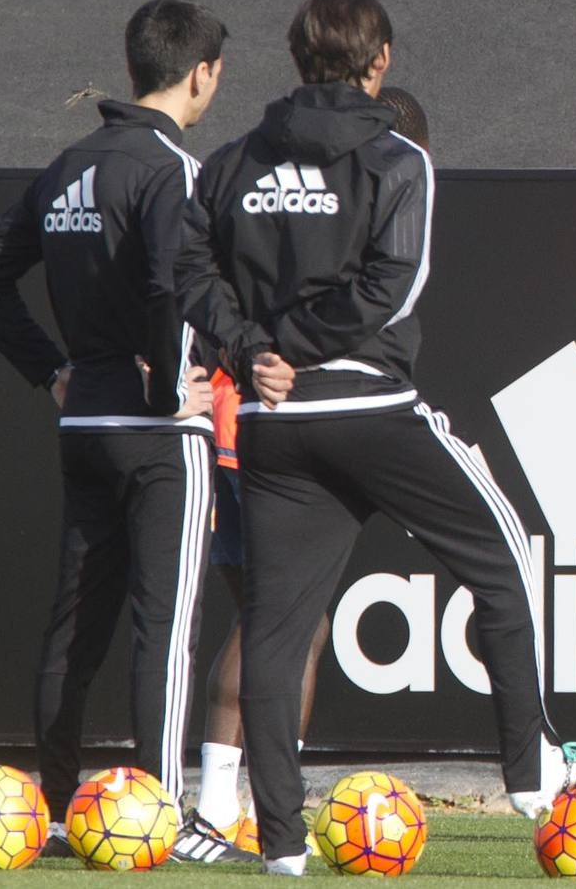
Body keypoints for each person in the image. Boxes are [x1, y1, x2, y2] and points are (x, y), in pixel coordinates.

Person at [174, 0, 576, 875]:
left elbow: (186, 270)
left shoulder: (227, 163)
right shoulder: (399, 157)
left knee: (272, 631)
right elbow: (393, 288)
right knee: (504, 559)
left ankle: (279, 848)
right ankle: (533, 782)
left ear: (301, 58)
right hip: (368, 407)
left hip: (274, 423)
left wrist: (253, 348)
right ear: (377, 61)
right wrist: (287, 346)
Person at [0, 0, 241, 861]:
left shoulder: (72, 163)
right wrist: (165, 395)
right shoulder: (171, 168)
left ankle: (45, 809)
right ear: (202, 74)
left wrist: (54, 371)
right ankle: (164, 820)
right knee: (168, 624)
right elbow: (168, 285)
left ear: (132, 68)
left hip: (87, 427)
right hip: (158, 438)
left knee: (75, 622)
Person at [185, 83, 432, 857]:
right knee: (280, 625)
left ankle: (239, 809)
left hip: (250, 425)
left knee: (282, 624)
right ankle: (223, 810)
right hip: (259, 427)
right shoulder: (369, 196)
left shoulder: (274, 186)